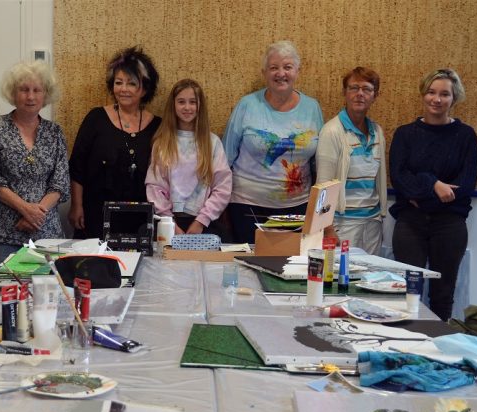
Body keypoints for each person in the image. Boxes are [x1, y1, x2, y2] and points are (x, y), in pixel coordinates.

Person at [389, 68, 477, 321]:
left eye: (444, 94)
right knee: (408, 290)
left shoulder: (466, 136)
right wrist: (434, 183)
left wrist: (422, 191)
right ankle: (406, 345)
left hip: (450, 225)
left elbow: (465, 187)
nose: (436, 99)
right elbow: (400, 179)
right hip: (410, 223)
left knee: (443, 293)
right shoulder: (405, 134)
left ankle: (437, 348)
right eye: (431, 92)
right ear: (423, 94)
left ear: (454, 98)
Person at [222, 40, 323, 244]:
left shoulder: (312, 108)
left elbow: (319, 161)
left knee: (291, 268)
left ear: (297, 71)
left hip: (298, 208)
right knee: (251, 268)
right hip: (248, 207)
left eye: (287, 67)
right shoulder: (247, 105)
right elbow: (226, 156)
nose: (281, 73)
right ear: (264, 73)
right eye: (274, 68)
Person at [0, 61, 70, 273]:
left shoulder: (55, 132)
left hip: (46, 231)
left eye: (37, 90)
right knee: (3, 298)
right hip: (4, 230)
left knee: (48, 297)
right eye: (24, 89)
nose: (30, 96)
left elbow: (60, 184)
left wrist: (36, 216)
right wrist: (25, 210)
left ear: (46, 95)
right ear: (13, 93)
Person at [69, 46, 161, 239]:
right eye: (118, 82)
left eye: (131, 83)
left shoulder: (158, 127)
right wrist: (76, 206)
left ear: (144, 88)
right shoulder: (96, 119)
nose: (123, 89)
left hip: (141, 220)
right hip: (95, 216)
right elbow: (77, 168)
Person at [316, 67, 387, 255]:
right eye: (354, 88)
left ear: (375, 95)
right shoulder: (331, 132)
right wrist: (328, 229)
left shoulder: (377, 132)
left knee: (369, 280)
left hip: (372, 223)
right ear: (344, 93)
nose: (359, 94)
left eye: (367, 89)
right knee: (342, 282)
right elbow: (323, 187)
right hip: (342, 226)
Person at [146, 79, 232, 235]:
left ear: (200, 106)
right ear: (173, 105)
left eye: (193, 102)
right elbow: (154, 187)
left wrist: (201, 221)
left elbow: (222, 187)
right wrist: (169, 223)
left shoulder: (212, 143)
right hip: (169, 222)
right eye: (181, 102)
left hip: (204, 223)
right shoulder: (162, 143)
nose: (187, 107)